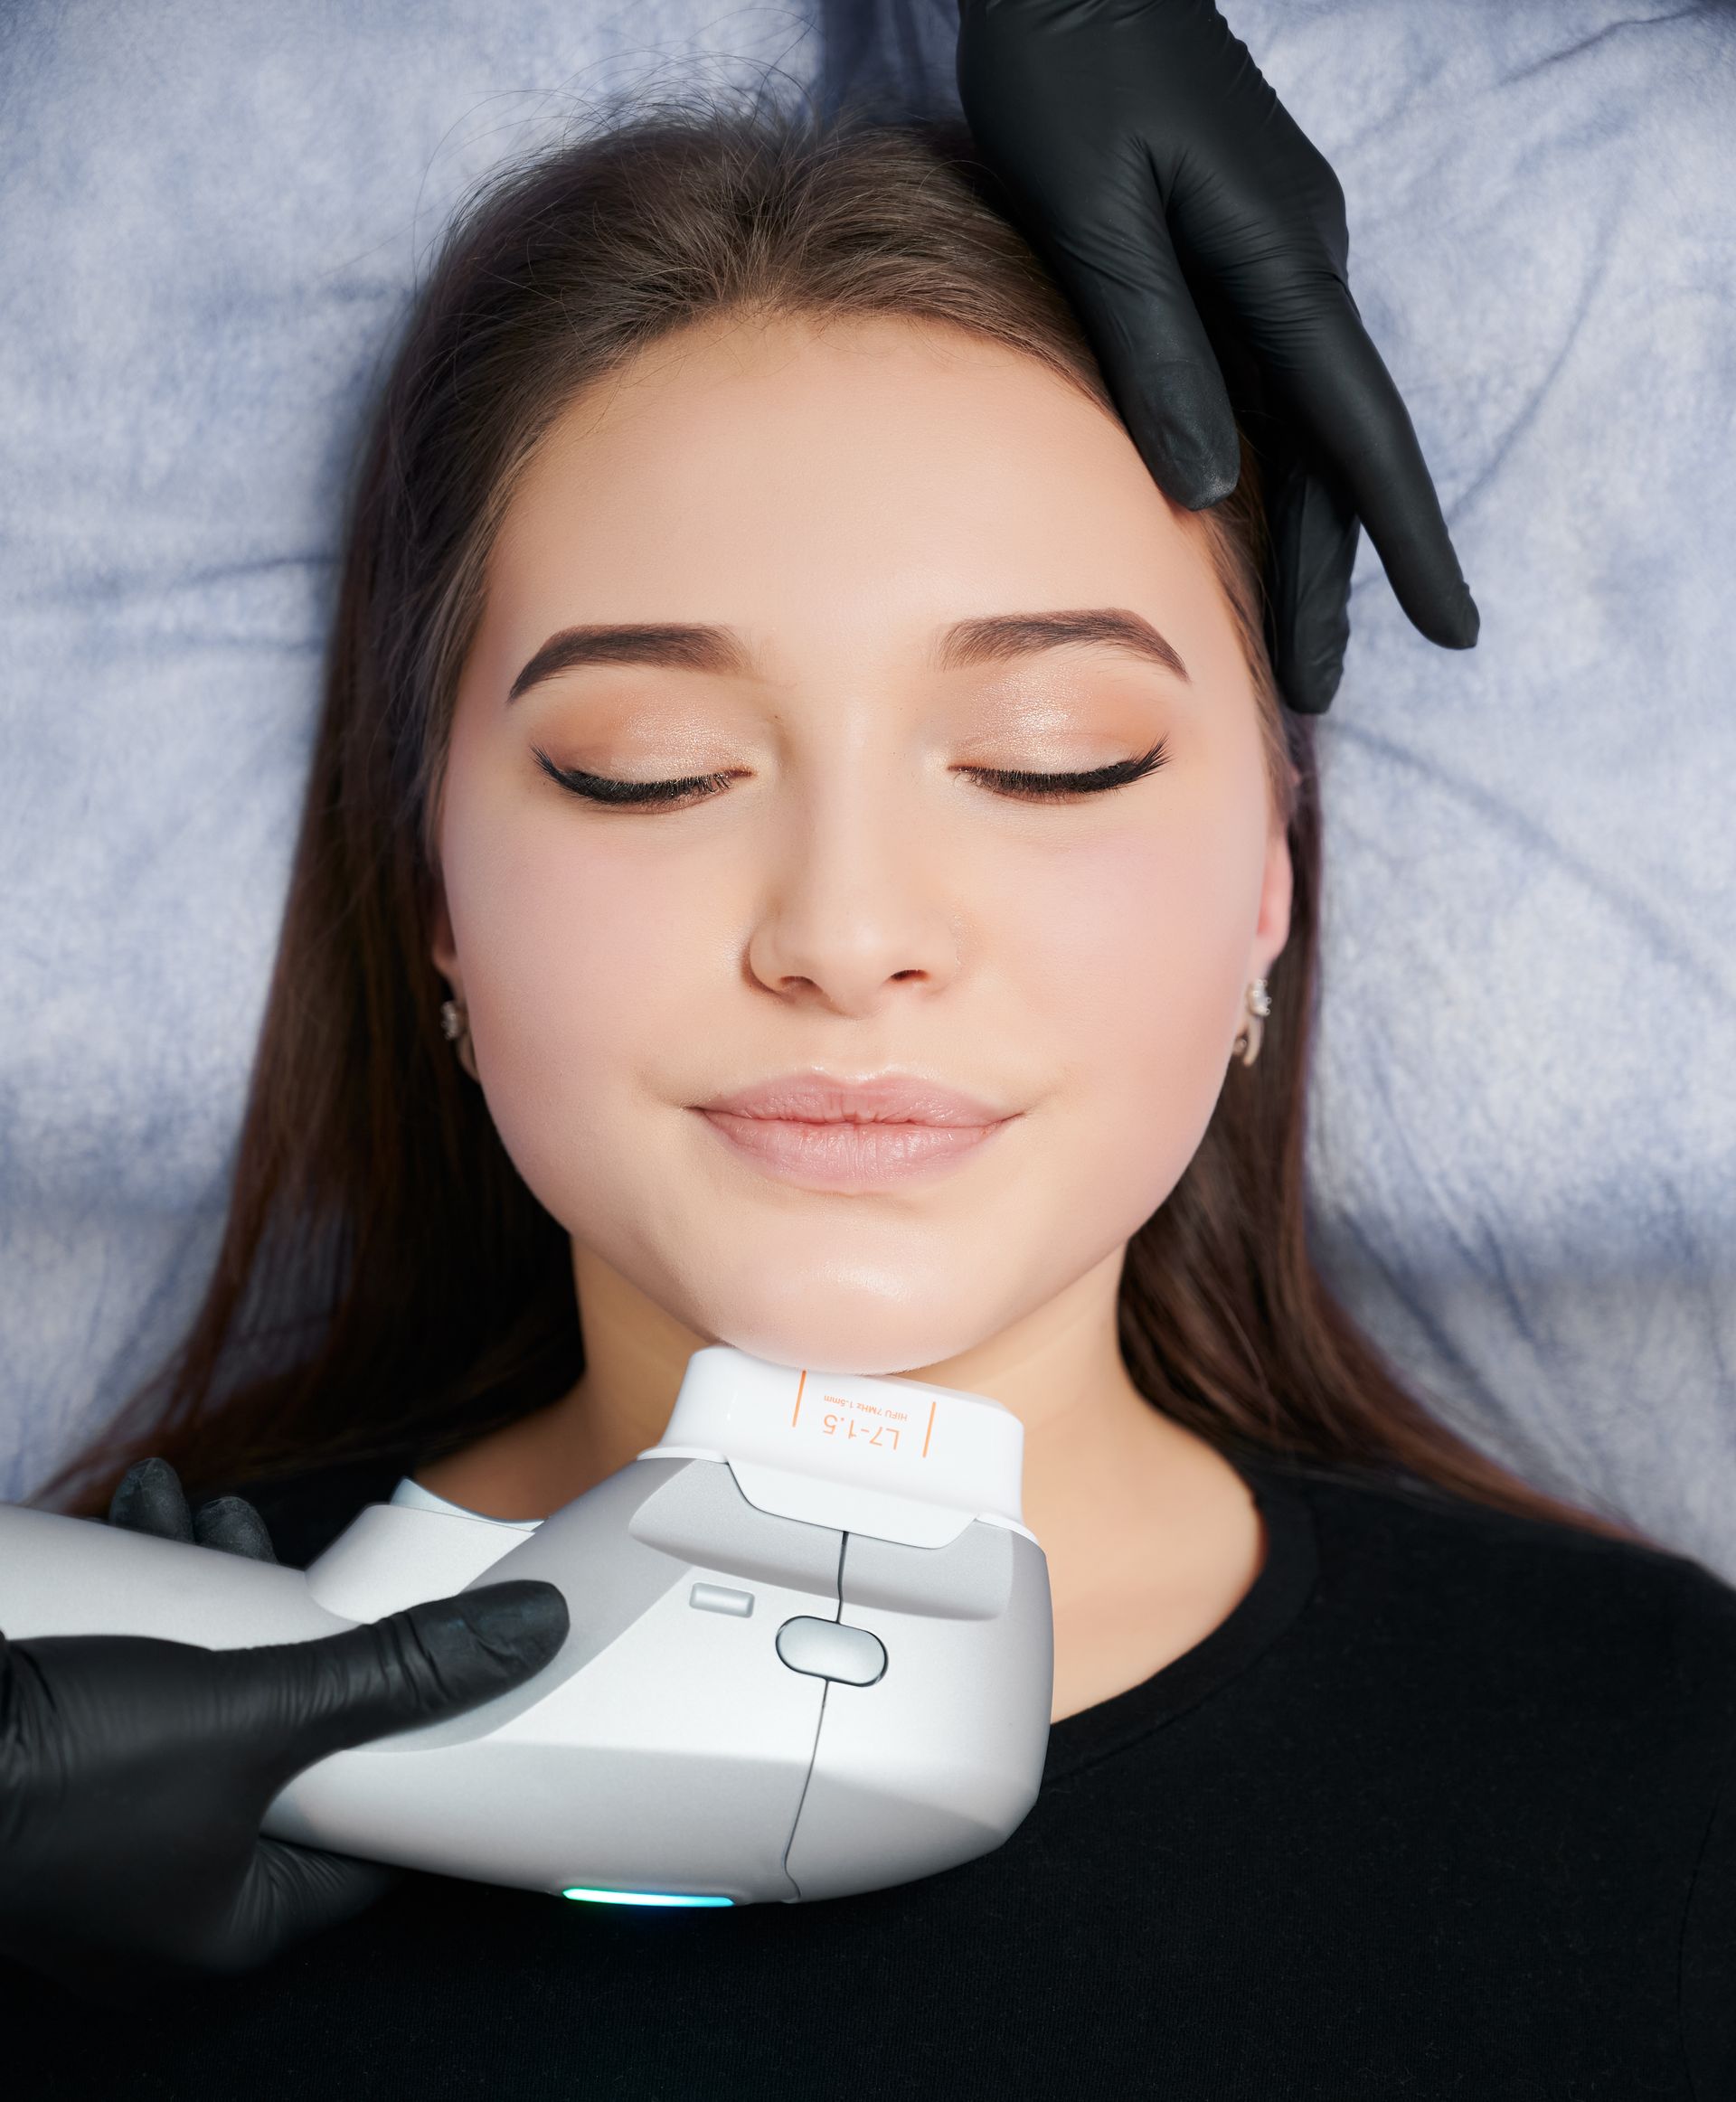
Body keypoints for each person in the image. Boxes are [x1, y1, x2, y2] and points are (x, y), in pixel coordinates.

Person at [4, 65, 1731, 2102]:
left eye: (1048, 755)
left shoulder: (1665, 1780)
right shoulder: (74, 1756)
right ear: (441, 903)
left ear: (1269, 879)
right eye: (645, 766)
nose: (844, 929)